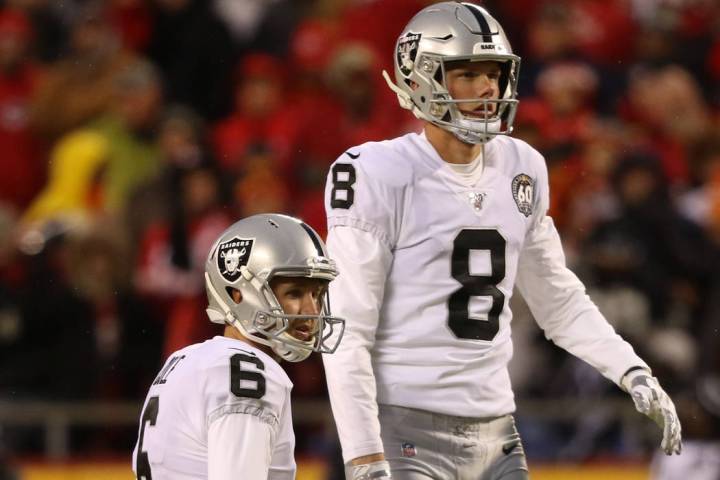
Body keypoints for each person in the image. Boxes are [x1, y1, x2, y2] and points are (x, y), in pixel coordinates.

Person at [321, 3, 682, 480]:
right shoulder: (376, 171)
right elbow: (345, 327)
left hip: (498, 432)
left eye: (493, 73)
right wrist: (365, 455)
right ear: (418, 79)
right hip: (403, 427)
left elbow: (557, 298)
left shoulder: (522, 166)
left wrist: (630, 370)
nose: (488, 88)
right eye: (467, 74)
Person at [131, 213, 345, 479]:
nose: (312, 311)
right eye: (295, 293)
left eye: (316, 294)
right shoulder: (248, 372)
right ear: (238, 293)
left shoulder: (184, 359)